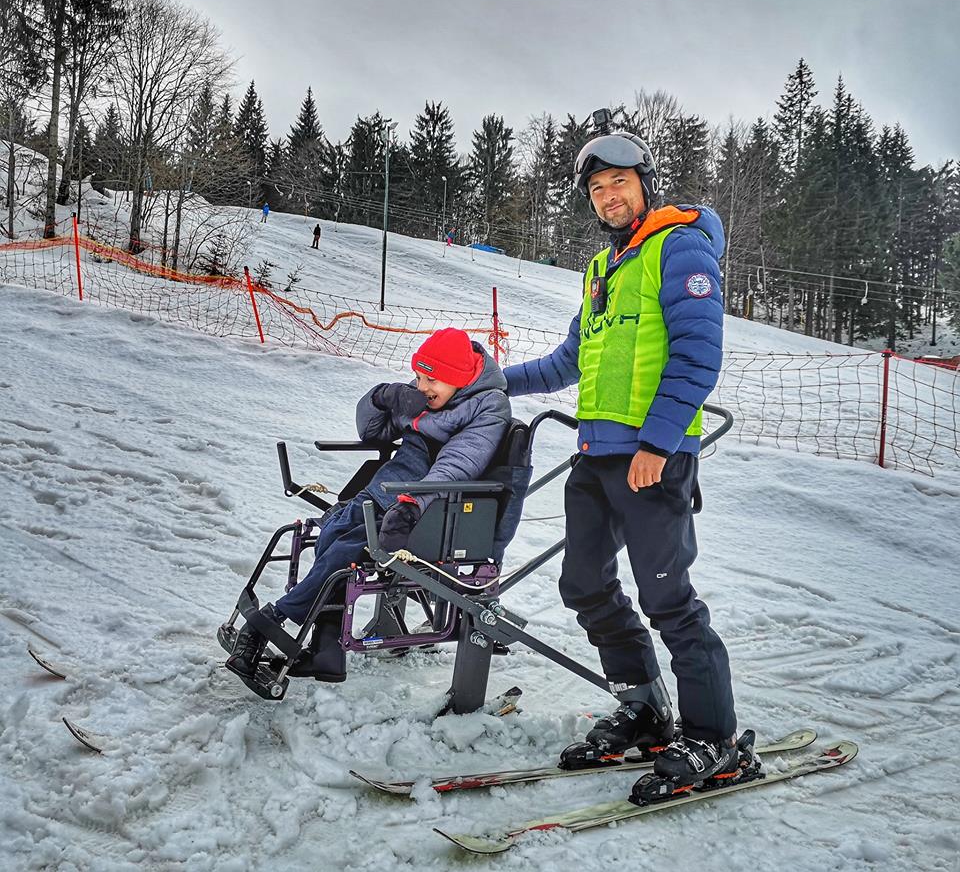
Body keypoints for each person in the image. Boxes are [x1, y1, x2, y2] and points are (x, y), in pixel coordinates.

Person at [503, 128, 738, 788]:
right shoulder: (603, 268)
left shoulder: (680, 248)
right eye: (597, 188)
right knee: (583, 583)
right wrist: (495, 380)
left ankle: (712, 736)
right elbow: (567, 361)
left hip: (651, 458)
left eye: (619, 183)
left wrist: (658, 442)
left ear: (645, 183)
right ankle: (643, 708)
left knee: (668, 596)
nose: (607, 196)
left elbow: (698, 357)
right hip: (596, 456)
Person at [226, 327, 511, 687]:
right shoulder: (428, 397)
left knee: (342, 554)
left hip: (426, 509)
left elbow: (456, 464)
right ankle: (327, 648)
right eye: (419, 376)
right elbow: (374, 432)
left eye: (431, 380)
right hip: (383, 491)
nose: (421, 386)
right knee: (331, 534)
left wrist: (409, 505)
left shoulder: (488, 407)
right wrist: (381, 398)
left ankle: (273, 618)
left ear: (458, 378)